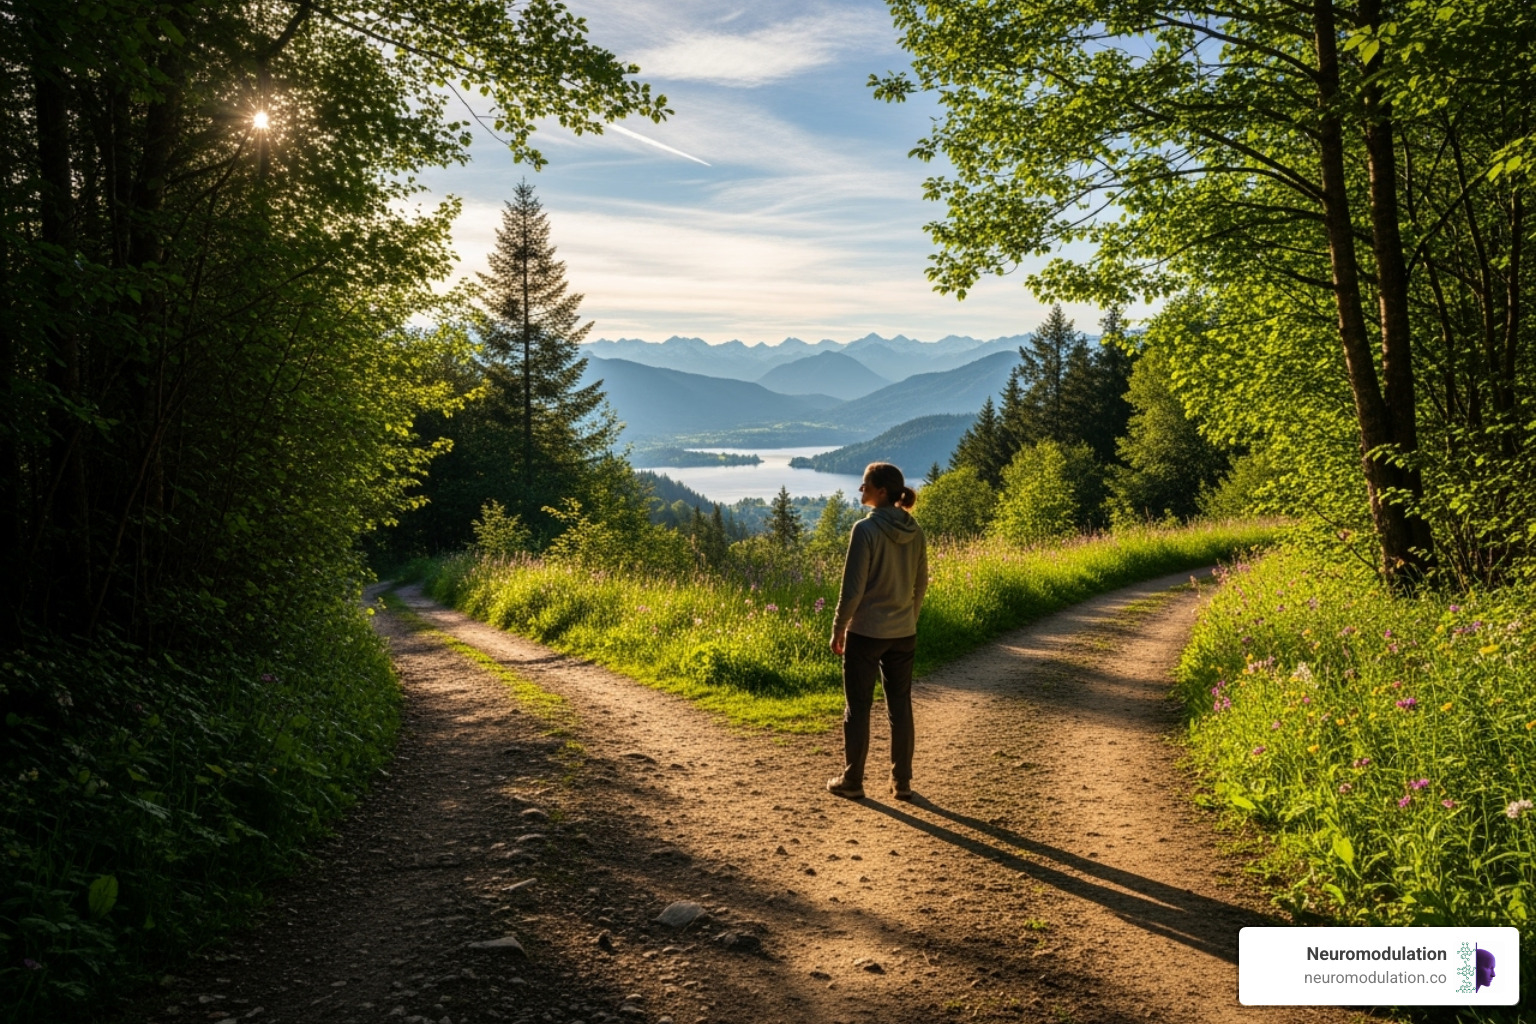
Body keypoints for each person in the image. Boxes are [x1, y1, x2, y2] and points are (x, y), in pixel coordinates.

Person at [827, 462, 928, 801]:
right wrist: (908, 619)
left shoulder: (865, 531)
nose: (860, 491)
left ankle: (853, 781)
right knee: (900, 706)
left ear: (882, 492)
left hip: (867, 633)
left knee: (858, 707)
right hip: (904, 633)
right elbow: (920, 583)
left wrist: (839, 628)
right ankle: (902, 783)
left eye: (865, 485)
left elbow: (852, 590)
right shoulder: (915, 531)